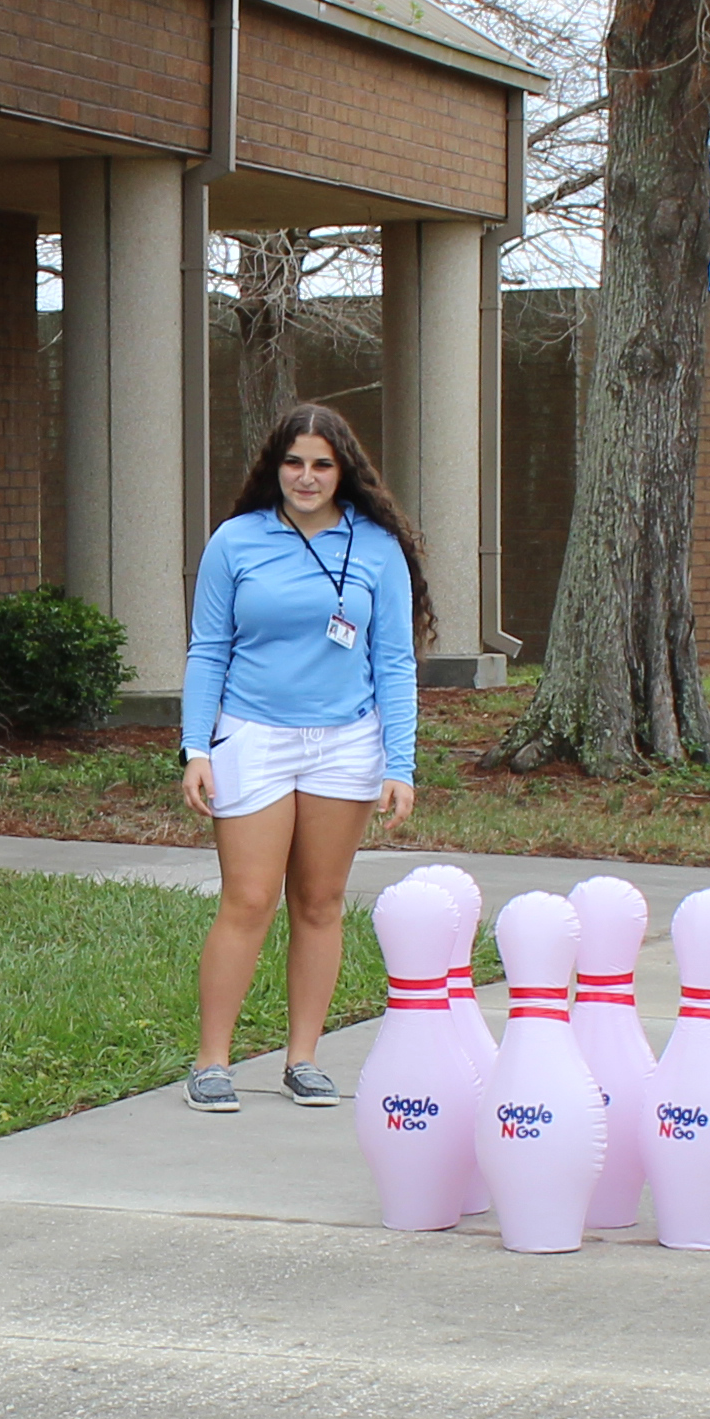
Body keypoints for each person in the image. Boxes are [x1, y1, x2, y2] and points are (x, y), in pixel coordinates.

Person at [176, 402, 427, 1110]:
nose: (306, 477)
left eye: (321, 464)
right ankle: (212, 1062)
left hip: (346, 742)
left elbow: (395, 661)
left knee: (319, 902)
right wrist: (198, 747)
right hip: (250, 735)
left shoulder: (376, 547)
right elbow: (208, 649)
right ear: (273, 467)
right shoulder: (237, 541)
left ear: (343, 470)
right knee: (249, 899)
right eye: (294, 463)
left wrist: (398, 763)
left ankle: (303, 1059)